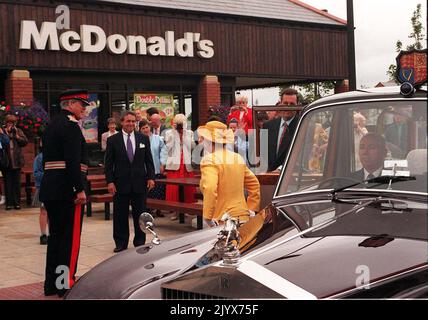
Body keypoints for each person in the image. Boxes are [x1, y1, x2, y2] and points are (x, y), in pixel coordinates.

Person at [39, 89, 89, 297]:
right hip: (67, 191)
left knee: (56, 238)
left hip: (51, 189)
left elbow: (46, 161)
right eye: (81, 104)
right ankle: (65, 283)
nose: (85, 109)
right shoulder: (70, 126)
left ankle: (51, 284)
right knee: (69, 240)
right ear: (70, 104)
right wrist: (79, 189)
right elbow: (72, 162)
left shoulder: (51, 125)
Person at [105, 111, 155, 253]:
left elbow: (149, 161)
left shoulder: (143, 139)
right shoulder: (113, 140)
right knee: (120, 215)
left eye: (133, 121)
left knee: (140, 215)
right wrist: (110, 182)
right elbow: (108, 164)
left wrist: (151, 177)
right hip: (120, 184)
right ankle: (121, 243)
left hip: (140, 183)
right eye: (128, 121)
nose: (131, 124)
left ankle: (140, 242)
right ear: (122, 122)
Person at [198, 121, 260, 226]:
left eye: (203, 138)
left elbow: (210, 188)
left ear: (209, 141)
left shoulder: (209, 160)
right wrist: (252, 208)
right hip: (243, 215)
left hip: (222, 219)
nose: (200, 141)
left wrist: (208, 217)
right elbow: (254, 184)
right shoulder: (237, 157)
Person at [161, 114, 196, 220]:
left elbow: (193, 147)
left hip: (186, 164)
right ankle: (175, 211)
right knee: (174, 188)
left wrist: (184, 136)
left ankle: (187, 209)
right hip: (174, 164)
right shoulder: (168, 133)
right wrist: (176, 135)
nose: (180, 126)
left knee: (187, 187)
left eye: (182, 124)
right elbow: (168, 147)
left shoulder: (189, 133)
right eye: (178, 124)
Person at [263, 88, 300, 172]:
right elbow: (262, 153)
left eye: (292, 104)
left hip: (290, 178)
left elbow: (301, 156)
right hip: (268, 177)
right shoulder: (268, 125)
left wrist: (280, 169)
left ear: (298, 105)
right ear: (280, 103)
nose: (288, 107)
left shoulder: (302, 126)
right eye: (285, 103)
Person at [139, 119, 167, 217]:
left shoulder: (158, 138)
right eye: (143, 128)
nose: (146, 130)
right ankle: (149, 210)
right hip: (144, 170)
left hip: (157, 167)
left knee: (159, 190)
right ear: (140, 130)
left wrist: (163, 163)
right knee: (148, 191)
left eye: (147, 127)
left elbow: (163, 151)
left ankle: (159, 209)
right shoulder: (139, 140)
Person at [2, 114, 28, 210]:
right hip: (6, 162)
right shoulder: (2, 132)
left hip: (17, 161)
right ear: (6, 122)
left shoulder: (18, 131)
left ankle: (17, 203)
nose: (10, 125)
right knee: (8, 184)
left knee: (16, 184)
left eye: (12, 123)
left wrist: (16, 136)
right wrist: (6, 134)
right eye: (9, 122)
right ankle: (9, 204)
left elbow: (25, 142)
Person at [33, 139, 48, 245]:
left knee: (53, 212)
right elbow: (36, 173)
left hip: (54, 187)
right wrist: (48, 176)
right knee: (44, 211)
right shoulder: (39, 158)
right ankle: (43, 234)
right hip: (43, 187)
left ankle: (53, 234)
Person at [0, 127, 10, 206]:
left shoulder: (2, 135)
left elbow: (6, 142)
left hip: (1, 159)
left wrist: (2, 133)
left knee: (1, 180)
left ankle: (3, 196)